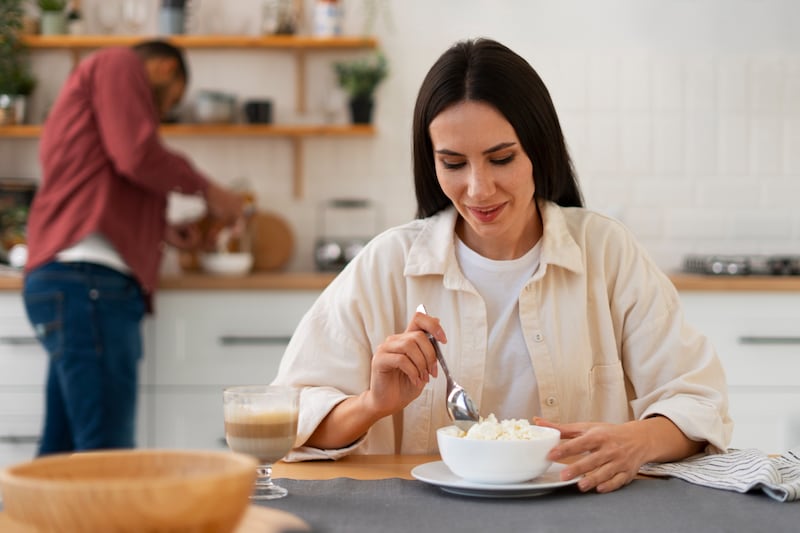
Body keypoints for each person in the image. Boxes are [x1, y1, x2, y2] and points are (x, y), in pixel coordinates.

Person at [272, 38, 732, 493]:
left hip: (584, 514)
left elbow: (697, 401)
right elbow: (290, 417)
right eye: (453, 163)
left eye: (501, 159)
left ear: (539, 150)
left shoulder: (606, 252)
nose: (478, 189)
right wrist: (372, 405)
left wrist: (638, 441)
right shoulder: (387, 265)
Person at [22, 40, 246, 455]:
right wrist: (208, 190)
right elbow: (136, 154)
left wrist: (160, 227)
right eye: (170, 100)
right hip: (90, 286)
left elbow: (103, 183)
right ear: (164, 68)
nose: (158, 114)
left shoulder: (89, 91)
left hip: (69, 283)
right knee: (106, 458)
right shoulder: (117, 63)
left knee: (60, 455)